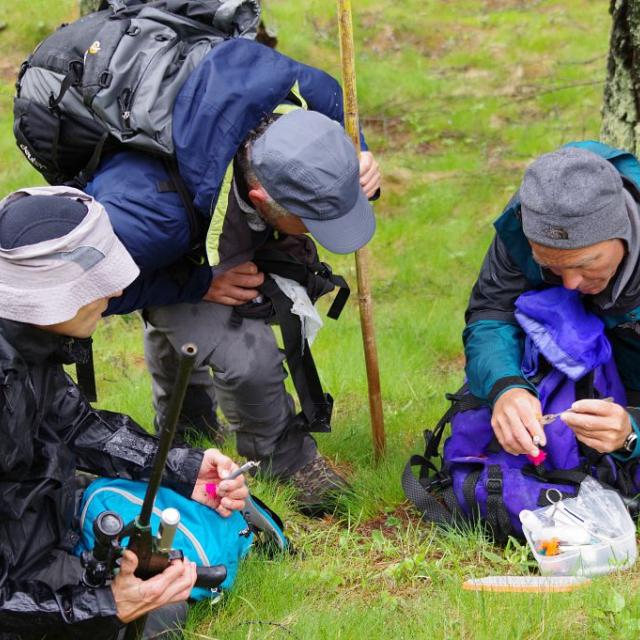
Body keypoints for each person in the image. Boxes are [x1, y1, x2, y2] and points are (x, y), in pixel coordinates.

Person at [85, 37, 381, 513]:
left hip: (214, 208)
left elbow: (334, 100)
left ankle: (185, 431)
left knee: (203, 321)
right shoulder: (152, 216)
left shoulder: (311, 98)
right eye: (313, 220)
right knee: (247, 352)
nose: (321, 236)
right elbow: (93, 289)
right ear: (263, 199)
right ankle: (286, 462)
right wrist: (199, 284)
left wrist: (357, 159)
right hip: (162, 238)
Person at [0, 187, 248, 640]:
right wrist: (103, 605)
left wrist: (184, 468)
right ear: (47, 293)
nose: (115, 291)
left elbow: (76, 424)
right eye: (94, 282)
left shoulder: (26, 341)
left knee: (164, 602)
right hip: (14, 583)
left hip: (39, 538)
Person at [464, 143, 640, 463]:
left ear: (624, 232)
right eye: (552, 266)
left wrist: (632, 432)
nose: (571, 284)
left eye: (587, 263)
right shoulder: (525, 221)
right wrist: (506, 387)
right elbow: (491, 314)